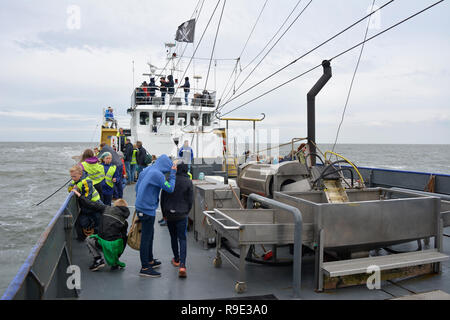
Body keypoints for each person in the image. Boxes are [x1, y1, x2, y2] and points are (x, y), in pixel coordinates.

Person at [135, 155, 177, 278]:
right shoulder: (157, 174)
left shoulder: (148, 169)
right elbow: (170, 188)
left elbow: (137, 186)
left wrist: (141, 200)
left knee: (150, 235)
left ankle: (150, 261)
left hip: (142, 206)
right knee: (146, 238)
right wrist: (173, 174)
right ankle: (145, 267)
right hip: (147, 209)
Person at [72, 188, 130, 271]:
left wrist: (79, 195)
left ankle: (98, 259)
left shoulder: (106, 208)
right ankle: (114, 260)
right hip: (114, 248)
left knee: (89, 239)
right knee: (120, 239)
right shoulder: (124, 222)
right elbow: (124, 239)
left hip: (102, 244)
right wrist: (118, 254)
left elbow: (91, 204)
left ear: (115, 205)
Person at [160, 162, 193, 278]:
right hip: (182, 214)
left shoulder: (169, 179)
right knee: (182, 239)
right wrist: (186, 212)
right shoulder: (188, 182)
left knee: (173, 237)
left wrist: (164, 214)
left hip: (169, 214)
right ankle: (183, 266)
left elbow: (162, 198)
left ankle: (176, 259)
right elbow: (190, 200)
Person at [68, 165, 102, 241]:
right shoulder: (76, 180)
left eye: (74, 177)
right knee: (82, 221)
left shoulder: (86, 182)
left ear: (80, 174)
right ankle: (82, 237)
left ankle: (97, 239)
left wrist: (77, 192)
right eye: (71, 177)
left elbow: (87, 199)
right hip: (86, 205)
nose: (73, 178)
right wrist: (72, 185)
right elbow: (69, 190)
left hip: (95, 205)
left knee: (98, 222)